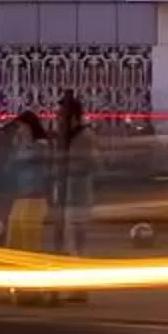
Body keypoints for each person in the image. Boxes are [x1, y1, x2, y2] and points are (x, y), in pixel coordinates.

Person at [49, 91, 95, 257]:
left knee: (77, 232)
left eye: (60, 115)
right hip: (62, 192)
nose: (57, 119)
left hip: (77, 193)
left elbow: (88, 163)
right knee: (60, 229)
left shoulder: (84, 136)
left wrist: (66, 166)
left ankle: (78, 259)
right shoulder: (62, 137)